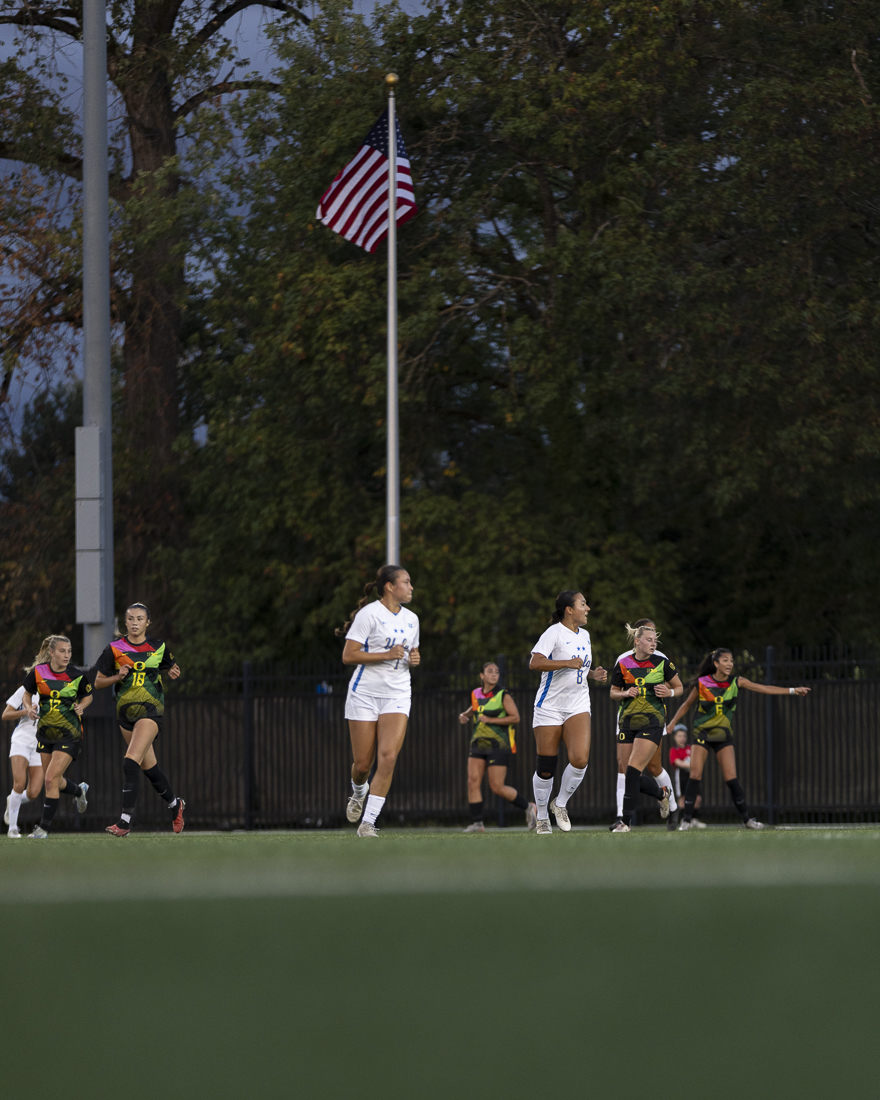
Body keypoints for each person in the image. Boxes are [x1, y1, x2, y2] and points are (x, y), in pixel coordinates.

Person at [667, 648, 810, 830]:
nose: (729, 664)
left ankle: (747, 820)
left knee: (731, 778)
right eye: (725, 660)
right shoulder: (702, 683)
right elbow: (687, 705)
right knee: (695, 776)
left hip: (723, 736)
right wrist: (673, 722)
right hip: (701, 734)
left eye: (731, 660)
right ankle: (686, 821)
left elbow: (764, 688)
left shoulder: (736, 682)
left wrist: (792, 690)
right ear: (716, 663)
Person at [338, 565, 420, 837]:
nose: (410, 587)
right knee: (362, 764)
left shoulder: (412, 619)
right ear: (389, 586)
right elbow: (349, 656)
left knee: (388, 757)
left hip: (397, 694)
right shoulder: (369, 614)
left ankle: (368, 823)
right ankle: (358, 792)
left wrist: (413, 658)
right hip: (364, 694)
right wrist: (386, 654)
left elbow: (411, 651)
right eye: (406, 582)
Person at [94, 602, 184, 837]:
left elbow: (171, 665)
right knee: (150, 768)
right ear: (125, 622)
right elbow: (98, 682)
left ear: (147, 622)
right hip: (125, 715)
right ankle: (176, 805)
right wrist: (117, 676)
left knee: (130, 761)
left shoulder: (158, 646)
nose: (135, 622)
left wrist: (174, 669)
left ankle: (124, 823)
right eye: (131, 618)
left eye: (140, 618)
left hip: (150, 712)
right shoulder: (114, 648)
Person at [529, 591, 607, 835]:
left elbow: (579, 666)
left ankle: (559, 803)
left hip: (578, 704)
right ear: (569, 610)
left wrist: (592, 674)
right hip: (549, 705)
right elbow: (535, 662)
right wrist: (566, 663)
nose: (588, 608)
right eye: (583, 604)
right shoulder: (553, 632)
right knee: (546, 766)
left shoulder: (585, 635)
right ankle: (542, 817)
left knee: (580, 759)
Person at [609, 623, 682, 833]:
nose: (653, 641)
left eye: (654, 637)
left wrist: (667, 691)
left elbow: (671, 685)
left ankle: (673, 808)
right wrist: (624, 693)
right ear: (637, 639)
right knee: (624, 769)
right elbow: (616, 690)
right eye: (649, 637)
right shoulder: (622, 660)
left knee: (652, 767)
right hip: (627, 719)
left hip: (652, 719)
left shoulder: (661, 658)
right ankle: (622, 816)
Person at [20, 635, 92, 838]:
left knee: (50, 778)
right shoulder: (38, 672)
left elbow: (88, 696)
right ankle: (79, 791)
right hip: (45, 733)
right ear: (51, 652)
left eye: (69, 651)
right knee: (54, 781)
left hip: (69, 734)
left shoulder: (76, 675)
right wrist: (28, 708)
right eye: (62, 651)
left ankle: (42, 829)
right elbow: (26, 693)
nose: (67, 655)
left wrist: (81, 706)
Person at [458, 662, 536, 832]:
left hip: (499, 745)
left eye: (496, 672)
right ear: (482, 675)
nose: (494, 674)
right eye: (490, 671)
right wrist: (466, 714)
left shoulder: (503, 695)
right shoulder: (476, 693)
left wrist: (491, 720)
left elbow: (515, 718)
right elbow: (476, 706)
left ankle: (529, 807)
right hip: (478, 744)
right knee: (472, 782)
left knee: (497, 786)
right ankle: (478, 824)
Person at [667, 723, 704, 829]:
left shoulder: (691, 748)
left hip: (692, 775)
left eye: (683, 736)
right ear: (675, 737)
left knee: (697, 797)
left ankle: (693, 819)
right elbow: (677, 762)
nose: (682, 738)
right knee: (683, 797)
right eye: (679, 736)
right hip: (681, 775)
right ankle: (684, 819)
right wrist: (690, 765)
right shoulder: (674, 750)